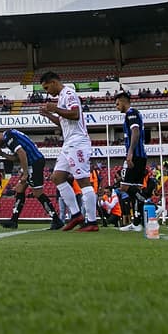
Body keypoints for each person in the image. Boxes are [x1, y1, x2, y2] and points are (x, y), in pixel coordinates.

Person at [38, 71, 98, 232]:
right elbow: (63, 123)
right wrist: (48, 114)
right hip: (69, 143)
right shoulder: (61, 98)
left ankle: (92, 222)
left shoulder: (69, 93)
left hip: (78, 142)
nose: (47, 92)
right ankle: (76, 215)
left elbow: (75, 114)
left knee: (83, 181)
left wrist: (55, 108)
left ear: (53, 82)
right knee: (57, 177)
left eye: (46, 87)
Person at [0, 128, 58, 229]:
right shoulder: (10, 134)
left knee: (37, 193)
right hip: (32, 163)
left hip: (34, 162)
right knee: (19, 189)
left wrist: (25, 174)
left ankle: (56, 219)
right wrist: (2, 154)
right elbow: (17, 158)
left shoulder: (8, 137)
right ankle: (14, 220)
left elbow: (22, 153)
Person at [117, 91, 148, 231]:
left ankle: (152, 205)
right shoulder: (132, 114)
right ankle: (137, 222)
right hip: (140, 155)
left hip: (136, 155)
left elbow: (135, 132)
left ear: (124, 101)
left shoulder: (131, 113)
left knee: (124, 187)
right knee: (135, 189)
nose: (116, 106)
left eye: (117, 103)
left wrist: (130, 153)